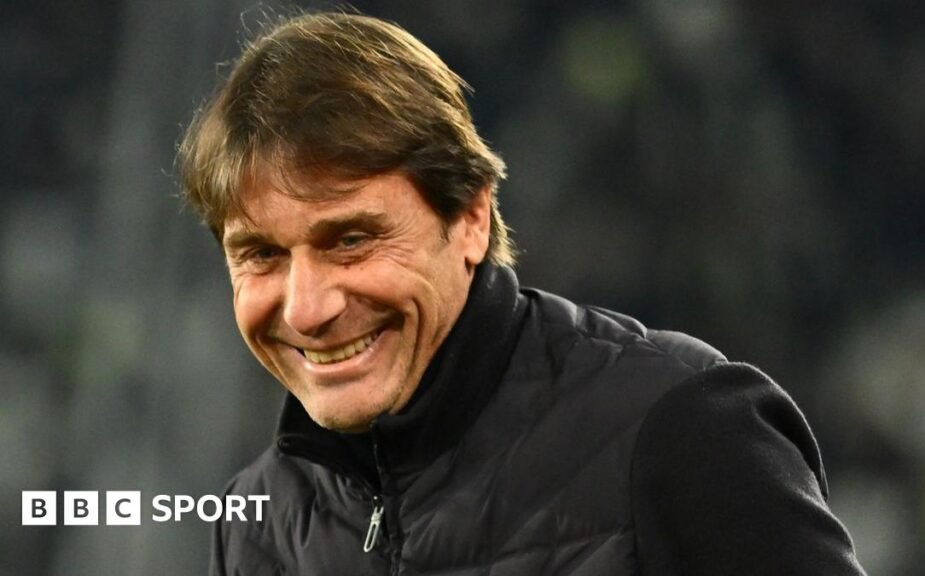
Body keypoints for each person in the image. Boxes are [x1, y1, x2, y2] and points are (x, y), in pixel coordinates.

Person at [178, 10, 867, 576]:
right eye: (261, 254)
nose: (306, 308)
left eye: (351, 240)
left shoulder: (679, 429)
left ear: (471, 218)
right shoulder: (255, 522)